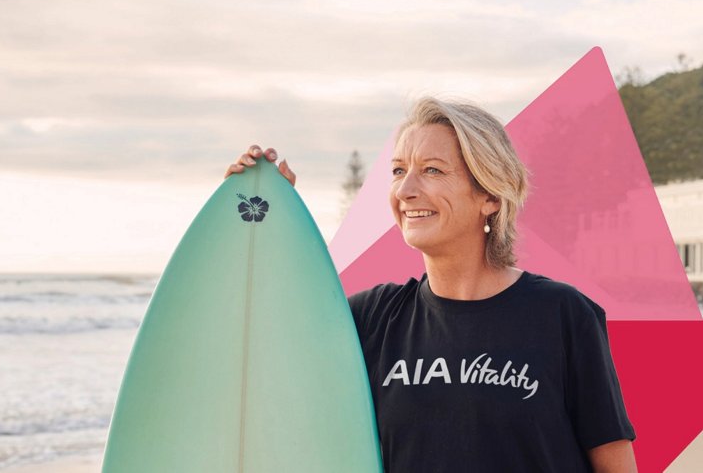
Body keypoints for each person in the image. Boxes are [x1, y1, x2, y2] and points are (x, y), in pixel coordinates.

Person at [223, 96, 637, 472]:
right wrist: (263, 220)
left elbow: (614, 464)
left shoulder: (562, 315)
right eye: (399, 171)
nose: (405, 189)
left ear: (489, 196)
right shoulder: (370, 318)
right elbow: (266, 354)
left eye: (432, 171)